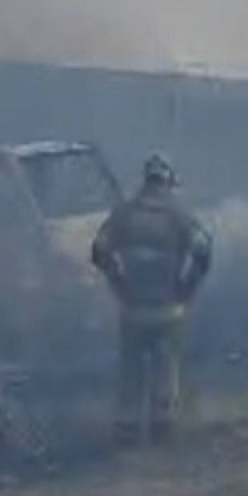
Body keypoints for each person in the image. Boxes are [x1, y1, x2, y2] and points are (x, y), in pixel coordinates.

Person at [90, 153, 212, 444]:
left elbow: (99, 250)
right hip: (169, 309)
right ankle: (162, 428)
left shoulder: (124, 214)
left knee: (131, 369)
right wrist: (187, 287)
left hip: (132, 308)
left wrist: (117, 282)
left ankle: (127, 428)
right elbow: (203, 251)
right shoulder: (179, 216)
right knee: (166, 368)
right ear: (168, 183)